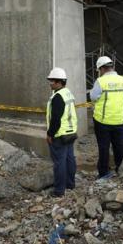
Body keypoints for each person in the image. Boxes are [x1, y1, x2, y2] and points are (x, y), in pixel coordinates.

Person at [89, 56, 123, 181]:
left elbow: (93, 97)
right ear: (112, 67)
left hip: (103, 121)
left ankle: (104, 173)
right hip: (119, 120)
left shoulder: (100, 81)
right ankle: (120, 169)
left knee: (104, 148)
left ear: (102, 68)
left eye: (99, 70)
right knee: (120, 147)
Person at [45, 67, 77, 197]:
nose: (50, 83)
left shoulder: (58, 97)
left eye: (52, 81)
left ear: (58, 82)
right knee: (70, 159)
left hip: (60, 134)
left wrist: (50, 134)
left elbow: (56, 120)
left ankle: (59, 190)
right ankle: (70, 183)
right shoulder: (68, 93)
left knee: (59, 162)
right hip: (71, 132)